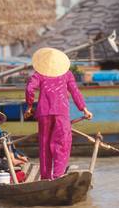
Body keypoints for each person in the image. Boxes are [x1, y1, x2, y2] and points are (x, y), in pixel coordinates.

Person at [24, 47, 93, 180]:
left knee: (44, 145)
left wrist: (29, 106)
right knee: (62, 143)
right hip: (61, 112)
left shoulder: (38, 75)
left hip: (44, 113)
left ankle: (45, 177)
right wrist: (84, 109)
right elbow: (75, 92)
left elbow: (29, 88)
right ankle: (58, 175)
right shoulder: (67, 74)